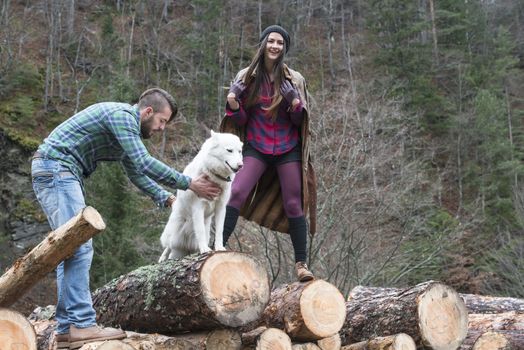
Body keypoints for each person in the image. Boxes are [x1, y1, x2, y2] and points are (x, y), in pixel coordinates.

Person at [31, 88, 221, 349]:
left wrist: (168, 199)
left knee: (71, 250)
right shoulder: (121, 117)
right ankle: (81, 325)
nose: (162, 128)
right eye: (162, 121)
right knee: (78, 246)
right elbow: (144, 163)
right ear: (148, 112)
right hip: (57, 169)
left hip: (60, 171)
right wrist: (188, 183)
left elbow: (136, 173)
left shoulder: (127, 132)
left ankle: (66, 329)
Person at [220, 25, 317, 282]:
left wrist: (295, 103)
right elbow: (240, 120)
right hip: (257, 147)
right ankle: (217, 248)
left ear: (284, 48)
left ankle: (301, 265)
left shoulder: (294, 79)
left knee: (294, 203)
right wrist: (232, 103)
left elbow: (300, 123)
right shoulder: (247, 77)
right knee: (236, 191)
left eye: (280, 43)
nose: (275, 46)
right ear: (263, 44)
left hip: (288, 149)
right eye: (271, 41)